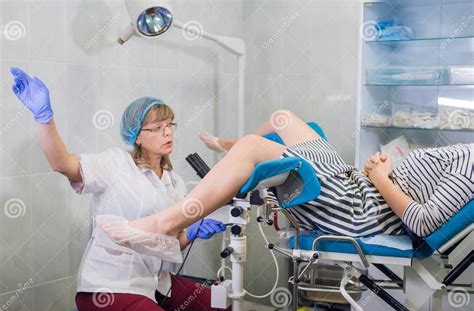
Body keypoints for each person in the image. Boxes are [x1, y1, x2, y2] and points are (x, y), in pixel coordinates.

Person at [10, 67, 230, 311]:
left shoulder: (174, 182)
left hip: (155, 282)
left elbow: (165, 244)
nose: (168, 132)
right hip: (108, 286)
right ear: (137, 135)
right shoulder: (116, 163)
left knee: (223, 306)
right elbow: (63, 164)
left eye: (170, 125)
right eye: (157, 127)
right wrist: (44, 118)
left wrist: (190, 233)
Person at [97, 109, 472, 247]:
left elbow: (422, 223)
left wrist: (381, 175)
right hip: (359, 187)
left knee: (254, 150)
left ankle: (162, 223)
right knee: (284, 119)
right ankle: (235, 148)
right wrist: (381, 170)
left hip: (358, 209)